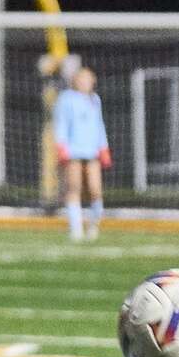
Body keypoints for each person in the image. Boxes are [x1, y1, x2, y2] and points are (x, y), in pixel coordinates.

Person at [53, 65, 111, 241]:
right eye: (81, 78)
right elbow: (60, 123)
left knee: (95, 189)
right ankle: (76, 229)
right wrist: (61, 146)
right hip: (73, 151)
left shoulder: (95, 99)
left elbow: (99, 125)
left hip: (92, 150)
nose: (84, 82)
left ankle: (94, 226)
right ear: (75, 81)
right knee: (74, 188)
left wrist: (104, 147)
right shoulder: (66, 98)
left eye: (87, 79)